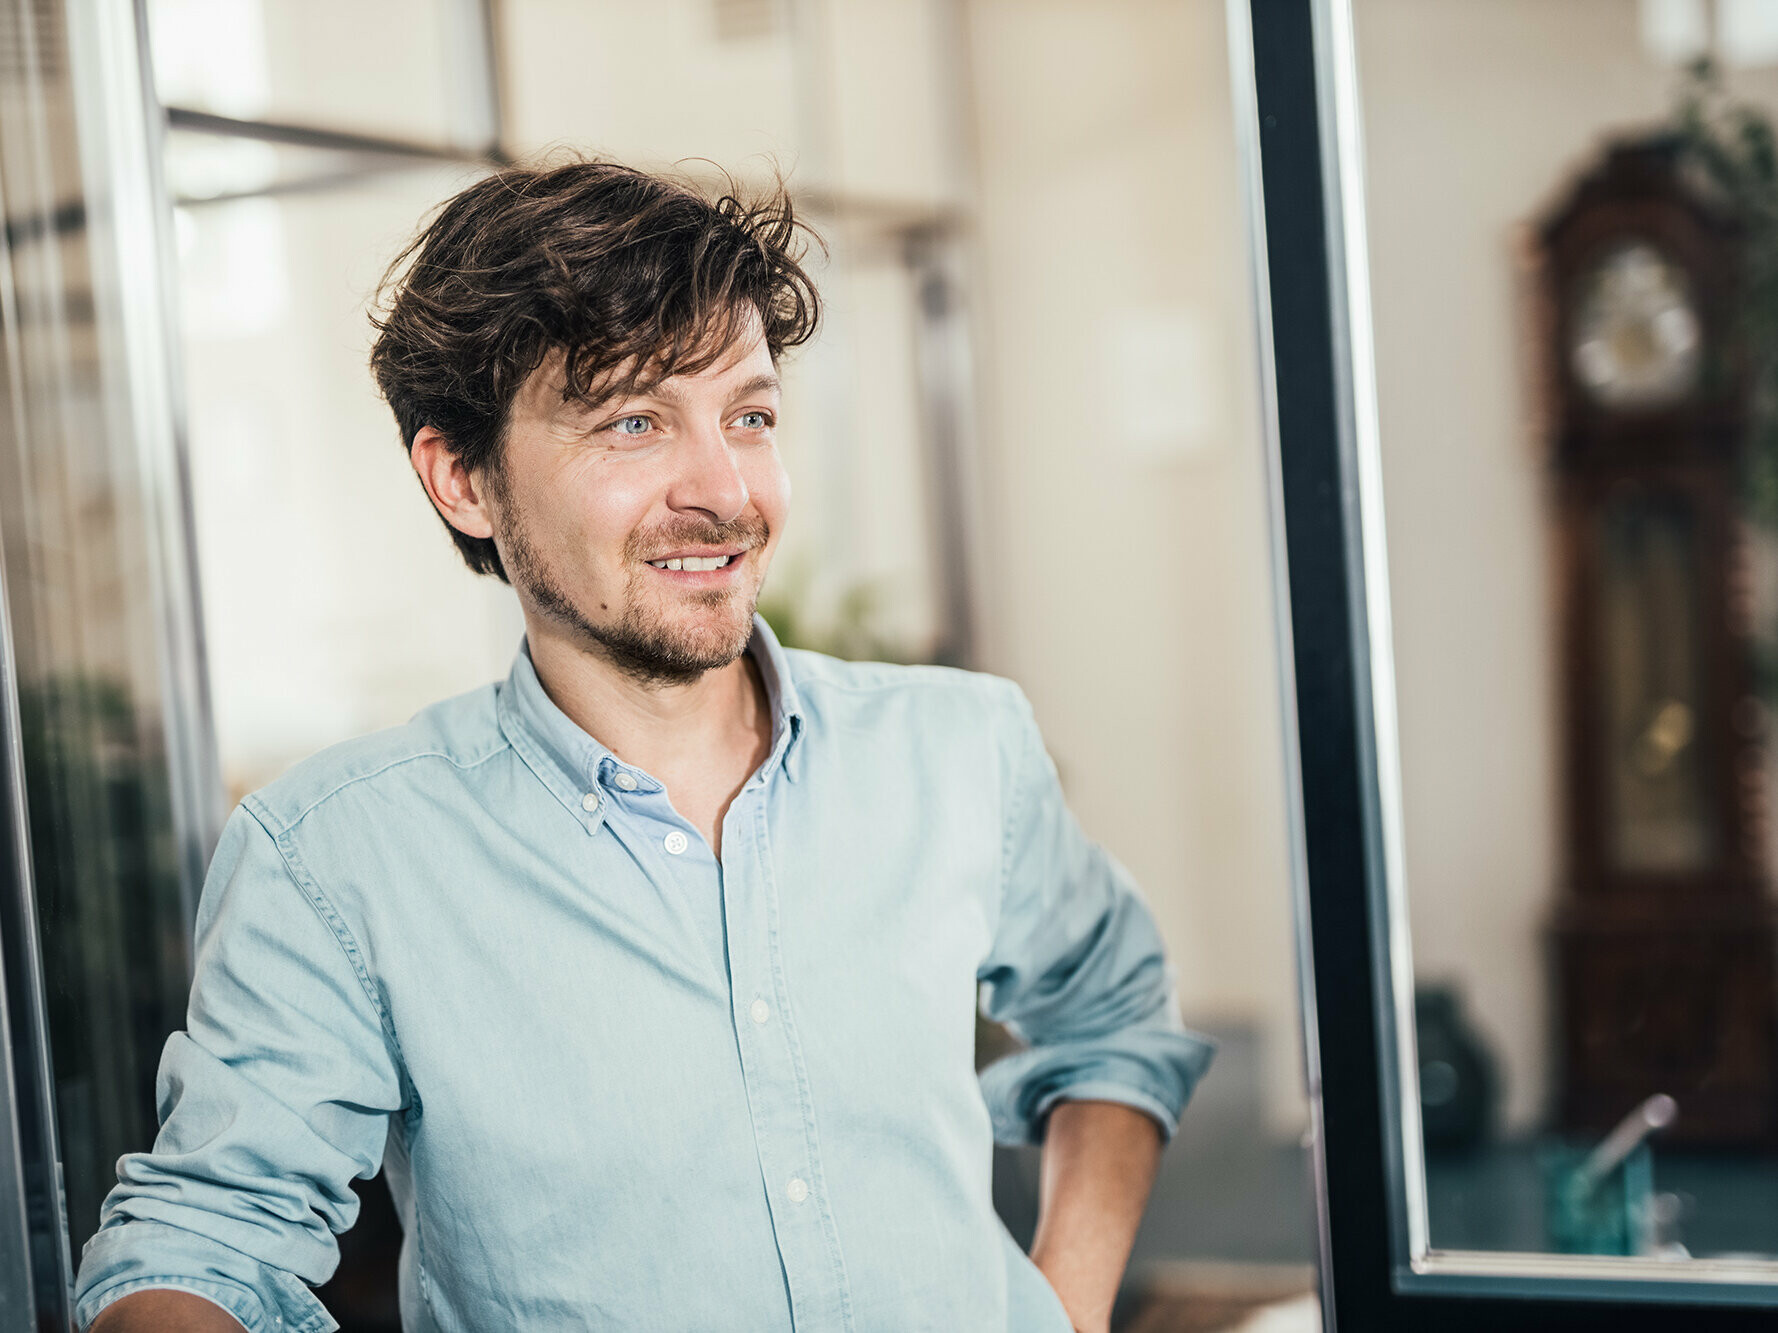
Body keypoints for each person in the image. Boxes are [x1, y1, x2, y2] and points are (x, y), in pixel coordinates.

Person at [74, 160, 1213, 1333]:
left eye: (749, 416)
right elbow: (204, 1248)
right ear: (461, 478)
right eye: (633, 421)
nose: (723, 490)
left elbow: (1115, 1010)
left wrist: (1065, 1309)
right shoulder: (337, 858)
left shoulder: (959, 747)